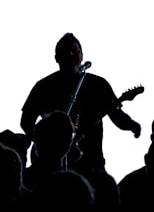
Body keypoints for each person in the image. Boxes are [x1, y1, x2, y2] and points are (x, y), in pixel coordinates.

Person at [20, 33, 142, 176]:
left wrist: (132, 125)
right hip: (51, 164)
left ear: (82, 55)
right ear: (56, 58)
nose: (71, 54)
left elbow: (116, 115)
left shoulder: (98, 84)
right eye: (65, 51)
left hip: (91, 162)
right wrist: (50, 144)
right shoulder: (43, 86)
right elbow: (26, 122)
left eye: (75, 51)